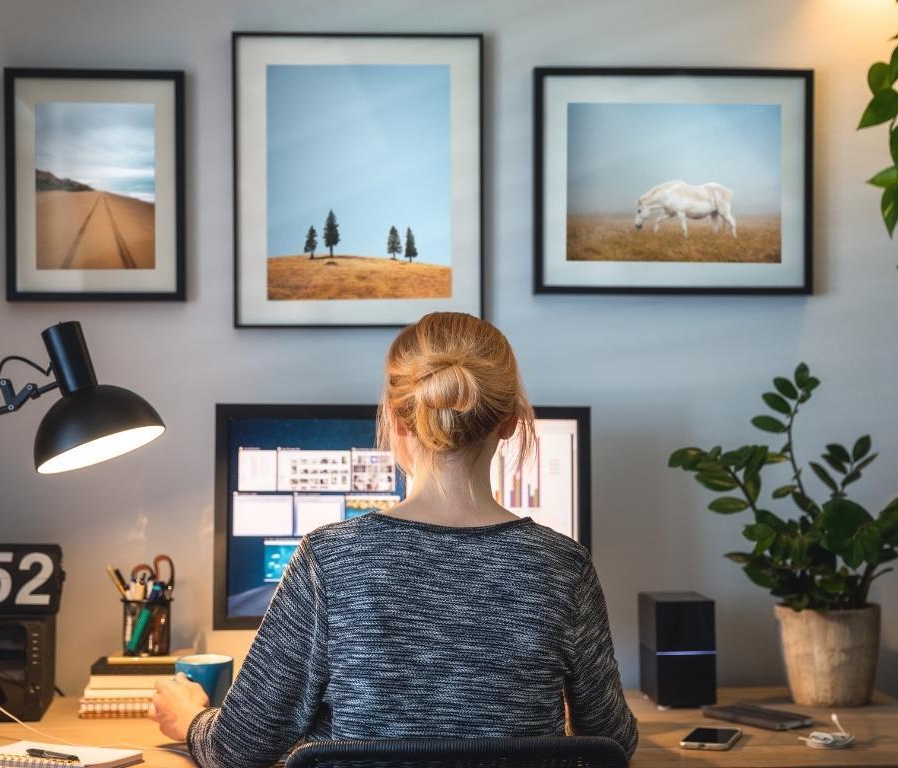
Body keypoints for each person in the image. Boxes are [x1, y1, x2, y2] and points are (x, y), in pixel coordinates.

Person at [150, 312, 639, 765]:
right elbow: (613, 740)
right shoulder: (563, 565)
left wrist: (190, 719)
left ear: (398, 419)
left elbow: (241, 748)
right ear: (511, 422)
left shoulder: (330, 559)